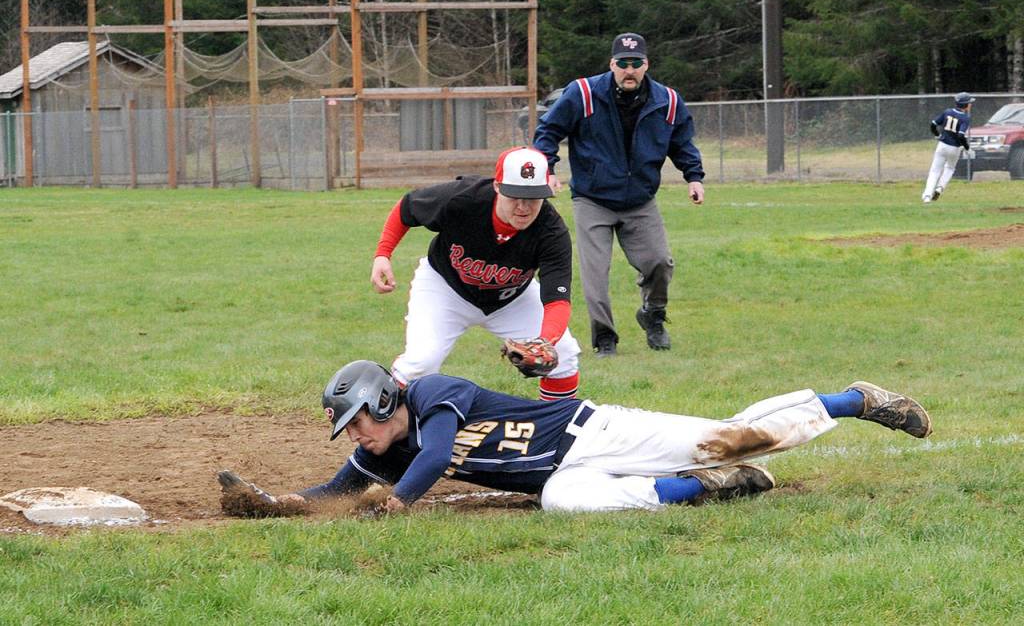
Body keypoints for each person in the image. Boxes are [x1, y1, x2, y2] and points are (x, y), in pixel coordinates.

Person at [275, 360, 933, 514]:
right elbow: (341, 487)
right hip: (563, 474)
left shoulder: (430, 395)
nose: (355, 437)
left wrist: (399, 503)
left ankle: (855, 400)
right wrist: (288, 506)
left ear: (384, 400)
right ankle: (709, 489)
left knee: (732, 436)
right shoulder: (385, 448)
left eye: (356, 420)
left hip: (597, 431)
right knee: (568, 505)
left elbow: (442, 452)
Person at [532, 32, 706, 358]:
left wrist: (693, 177)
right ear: (612, 64)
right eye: (623, 63)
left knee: (659, 262)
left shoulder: (666, 101)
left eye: (636, 63)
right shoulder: (583, 93)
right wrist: (548, 169)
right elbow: (548, 131)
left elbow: (682, 143)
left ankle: (653, 315)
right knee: (595, 275)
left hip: (640, 199)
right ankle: (605, 339)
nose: (629, 70)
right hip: (592, 198)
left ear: (646, 65)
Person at [369, 146, 581, 401]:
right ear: (497, 187)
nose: (524, 207)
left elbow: (557, 299)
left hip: (512, 299)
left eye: (533, 198)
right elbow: (407, 208)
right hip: (445, 287)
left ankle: (554, 433)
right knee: (421, 362)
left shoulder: (551, 231)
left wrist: (545, 342)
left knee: (564, 355)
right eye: (515, 196)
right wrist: (383, 254)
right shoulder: (463, 199)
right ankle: (384, 427)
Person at [923, 92, 975, 203]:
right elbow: (961, 135)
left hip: (942, 145)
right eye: (969, 103)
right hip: (954, 148)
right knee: (950, 169)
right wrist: (967, 148)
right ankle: (940, 188)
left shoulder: (948, 112)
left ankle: (927, 196)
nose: (971, 104)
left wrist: (937, 135)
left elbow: (933, 124)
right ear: (965, 105)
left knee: (934, 171)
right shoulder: (965, 118)